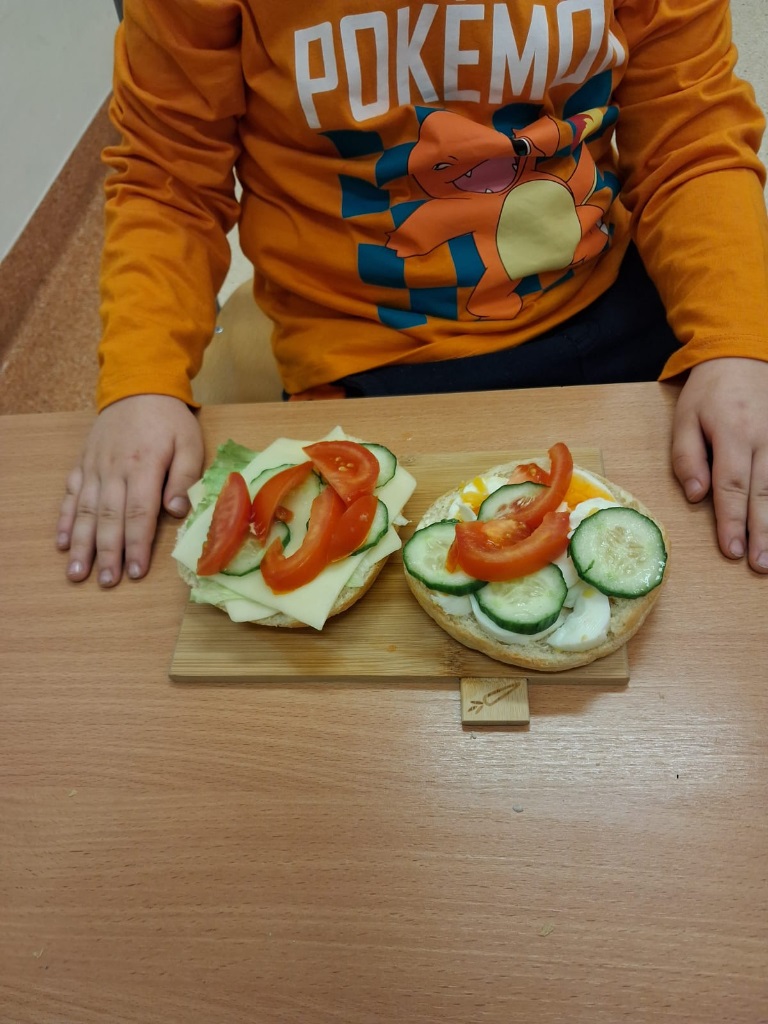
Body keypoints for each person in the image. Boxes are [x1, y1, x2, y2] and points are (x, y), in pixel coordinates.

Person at [57, 0, 768, 586]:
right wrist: (142, 382)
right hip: (361, 356)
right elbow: (169, 180)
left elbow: (689, 139)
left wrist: (736, 343)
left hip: (604, 306)